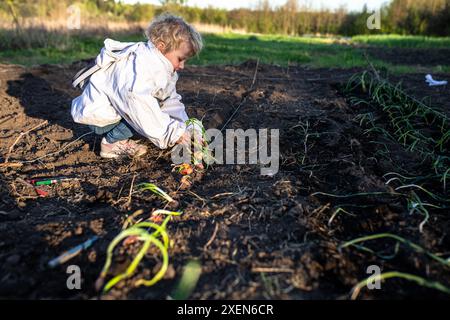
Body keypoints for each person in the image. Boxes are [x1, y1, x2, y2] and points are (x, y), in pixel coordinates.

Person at [71, 13, 203, 159]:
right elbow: (137, 104)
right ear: (161, 47)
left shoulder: (163, 68)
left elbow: (169, 100)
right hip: (99, 116)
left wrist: (186, 126)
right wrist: (172, 133)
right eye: (180, 59)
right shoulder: (140, 66)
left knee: (156, 106)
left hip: (117, 110)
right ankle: (111, 144)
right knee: (147, 111)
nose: (182, 66)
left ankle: (117, 135)